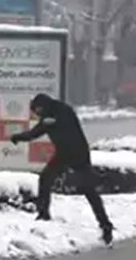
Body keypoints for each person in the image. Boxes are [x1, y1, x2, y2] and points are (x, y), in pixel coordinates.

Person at [9, 93, 113, 244]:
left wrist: (51, 122)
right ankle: (43, 214)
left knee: (88, 189)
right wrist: (18, 137)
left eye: (38, 111)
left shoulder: (62, 110)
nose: (37, 115)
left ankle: (105, 225)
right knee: (45, 178)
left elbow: (61, 122)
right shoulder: (46, 118)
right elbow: (36, 132)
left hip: (79, 153)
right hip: (63, 154)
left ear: (42, 106)